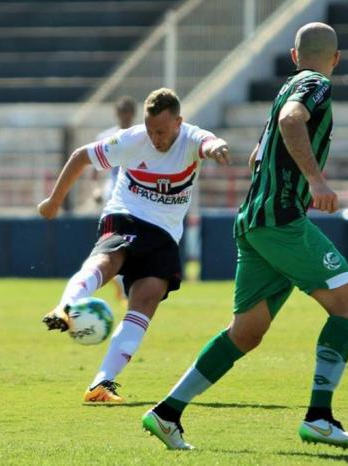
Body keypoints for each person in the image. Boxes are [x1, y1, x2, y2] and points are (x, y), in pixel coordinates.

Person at [142, 22, 348, 450]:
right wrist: (316, 182)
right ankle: (319, 417)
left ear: (295, 55)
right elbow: (290, 121)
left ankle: (167, 412)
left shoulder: (287, 85)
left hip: (253, 221)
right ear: (335, 59)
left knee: (245, 332)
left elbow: (257, 154)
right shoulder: (315, 83)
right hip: (281, 220)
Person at [38, 88, 230, 402]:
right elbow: (80, 157)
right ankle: (66, 306)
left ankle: (101, 384)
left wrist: (217, 146)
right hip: (126, 214)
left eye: (162, 131)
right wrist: (54, 201)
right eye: (151, 130)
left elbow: (209, 144)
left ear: (179, 123)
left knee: (147, 298)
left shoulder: (193, 138)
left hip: (165, 233)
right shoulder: (131, 139)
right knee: (110, 261)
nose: (155, 138)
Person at [91, 96, 137, 304]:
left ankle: (121, 279)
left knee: (128, 242)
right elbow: (95, 168)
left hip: (135, 195)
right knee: (114, 241)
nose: (125, 116)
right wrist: (95, 189)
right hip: (114, 194)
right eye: (122, 112)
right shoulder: (107, 136)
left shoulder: (139, 136)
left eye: (128, 112)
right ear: (117, 114)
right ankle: (119, 279)